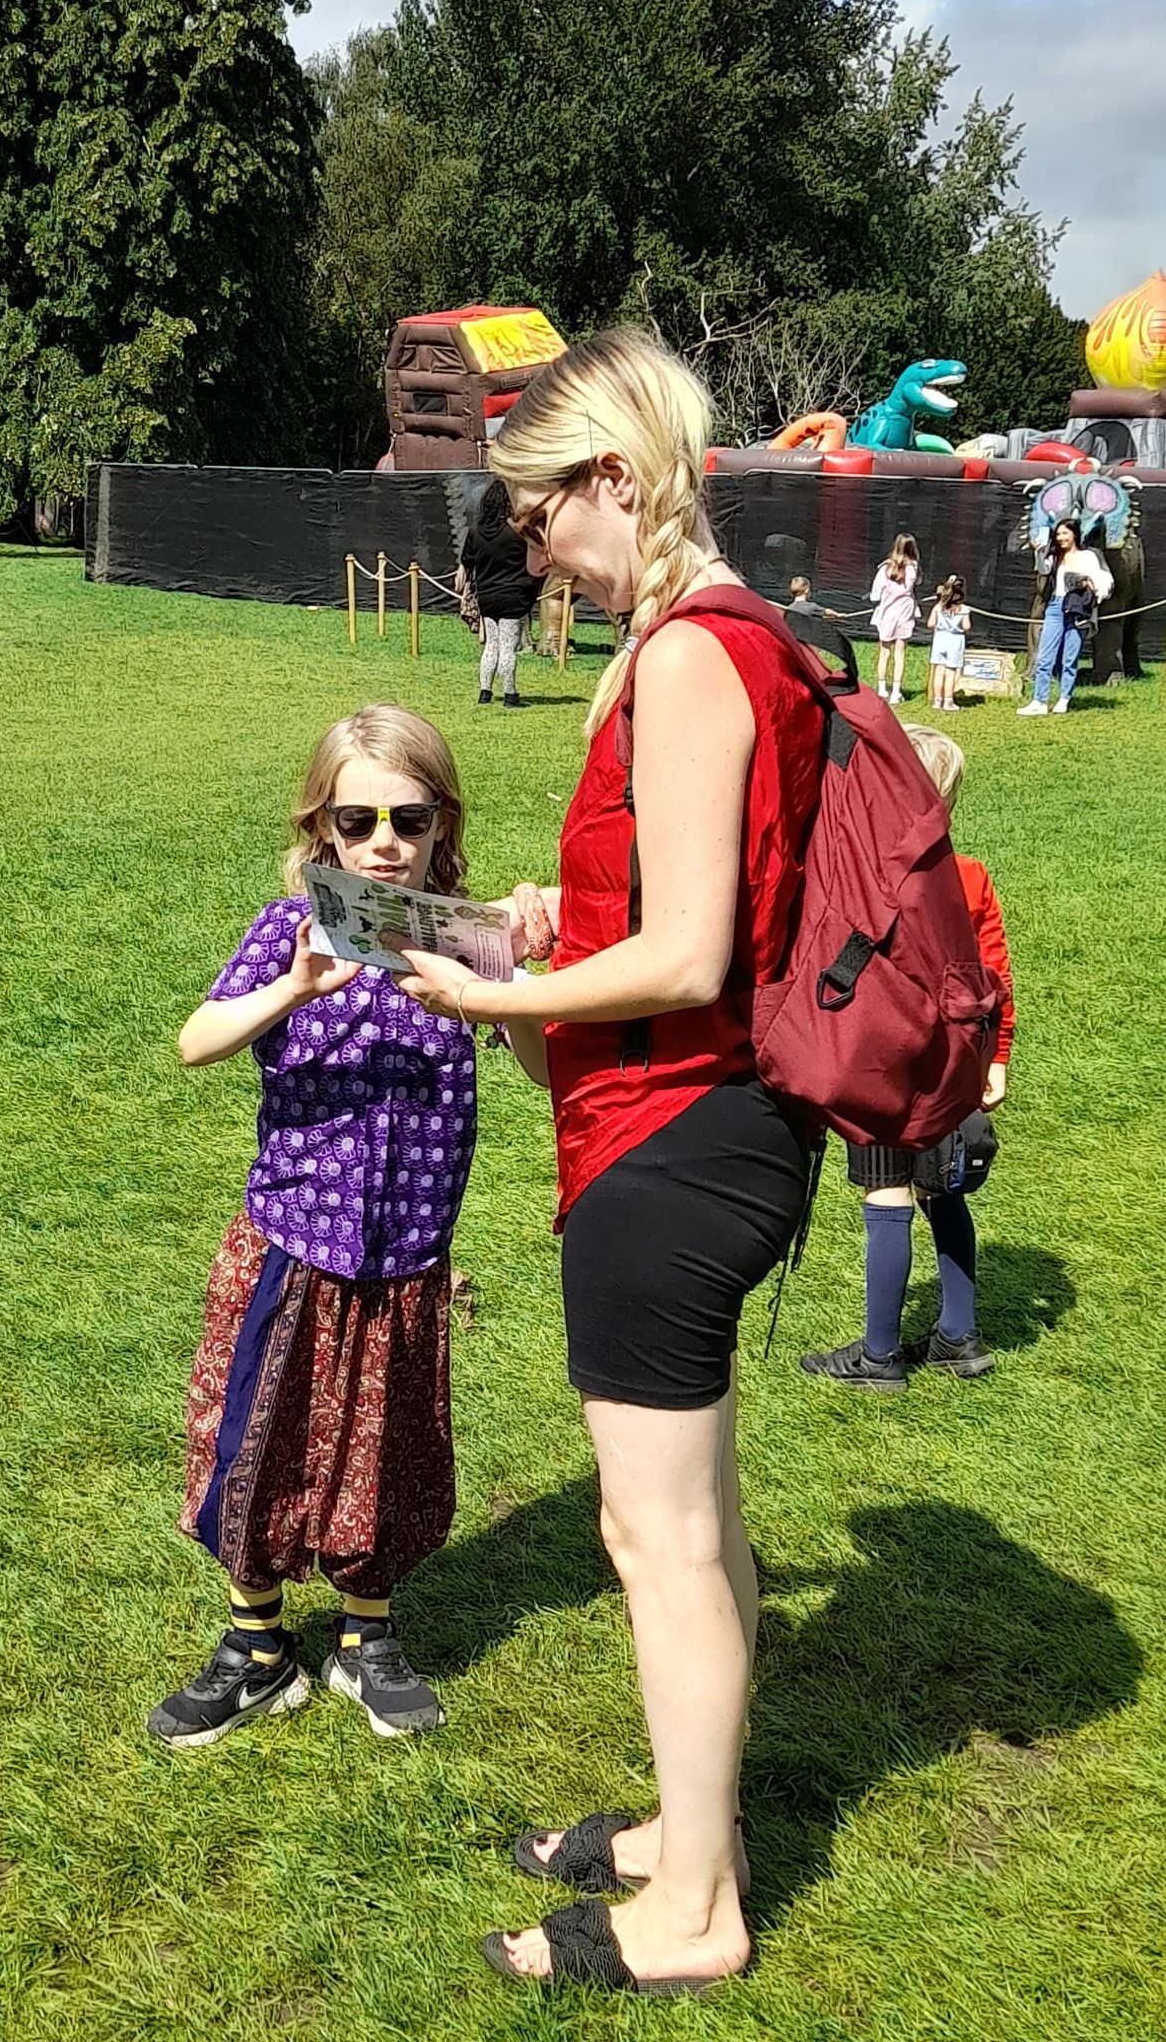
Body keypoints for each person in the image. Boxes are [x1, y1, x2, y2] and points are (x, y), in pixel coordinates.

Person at [387, 327, 825, 1997]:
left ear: (618, 481)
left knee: (661, 1545)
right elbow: (683, 909)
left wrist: (493, 989)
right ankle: (689, 1833)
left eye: (537, 512)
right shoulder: (710, 636)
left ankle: (696, 1910)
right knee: (697, 1527)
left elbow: (693, 954)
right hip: (691, 1128)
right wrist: (557, 924)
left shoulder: (696, 654)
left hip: (673, 1142)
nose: (531, 548)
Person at [149, 706, 477, 1747]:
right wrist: (290, 990)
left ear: (440, 824)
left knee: (388, 1452)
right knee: (259, 1437)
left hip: (407, 1254)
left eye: (409, 818)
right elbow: (196, 1040)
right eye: (358, 820)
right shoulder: (285, 929)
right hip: (292, 1243)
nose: (384, 842)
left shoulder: (466, 939)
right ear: (322, 828)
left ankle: (366, 1634)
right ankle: (255, 1647)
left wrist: (496, 997)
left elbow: (546, 1068)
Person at [800, 724, 1014, 1390]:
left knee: (886, 1191)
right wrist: (996, 1059)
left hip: (882, 1059)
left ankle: (880, 1354)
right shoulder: (970, 877)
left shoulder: (864, 875)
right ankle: (959, 1335)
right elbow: (995, 976)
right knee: (943, 1187)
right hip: (955, 1063)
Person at [1017, 517, 1113, 717]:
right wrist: (1039, 551)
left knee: (1070, 657)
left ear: (1074, 535)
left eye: (1064, 534)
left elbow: (1099, 580)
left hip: (1078, 608)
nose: (1061, 538)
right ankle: (1039, 701)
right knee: (1044, 657)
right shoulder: (1055, 556)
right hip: (1056, 606)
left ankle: (1064, 698)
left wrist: (1087, 583)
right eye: (1058, 534)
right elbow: (1043, 569)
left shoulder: (1088, 556)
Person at [460, 478, 536, 706]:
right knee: (508, 647)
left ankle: (485, 692)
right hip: (513, 596)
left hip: (487, 597)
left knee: (491, 644)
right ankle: (510, 694)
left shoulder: (475, 532)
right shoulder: (517, 533)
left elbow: (467, 562)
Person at [870, 534, 919, 704]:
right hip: (905, 614)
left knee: (884, 653)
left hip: (887, 614)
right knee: (900, 654)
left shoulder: (885, 568)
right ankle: (896, 693)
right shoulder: (913, 567)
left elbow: (875, 595)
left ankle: (882, 689)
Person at [927, 575, 971, 712]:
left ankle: (937, 701)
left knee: (939, 672)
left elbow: (930, 624)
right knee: (950, 672)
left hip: (940, 639)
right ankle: (948, 701)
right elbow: (966, 626)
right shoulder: (963, 609)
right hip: (955, 640)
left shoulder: (938, 607)